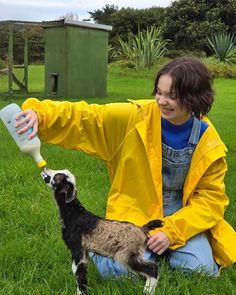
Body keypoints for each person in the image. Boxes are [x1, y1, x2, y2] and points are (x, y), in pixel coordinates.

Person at [16, 57, 236, 278]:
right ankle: (104, 244)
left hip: (184, 211)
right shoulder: (134, 118)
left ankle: (165, 247)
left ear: (194, 98)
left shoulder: (208, 140)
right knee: (119, 273)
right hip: (137, 206)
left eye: (172, 96)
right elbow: (88, 118)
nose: (161, 101)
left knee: (202, 271)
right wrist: (40, 114)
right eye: (158, 92)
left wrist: (171, 232)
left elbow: (211, 199)